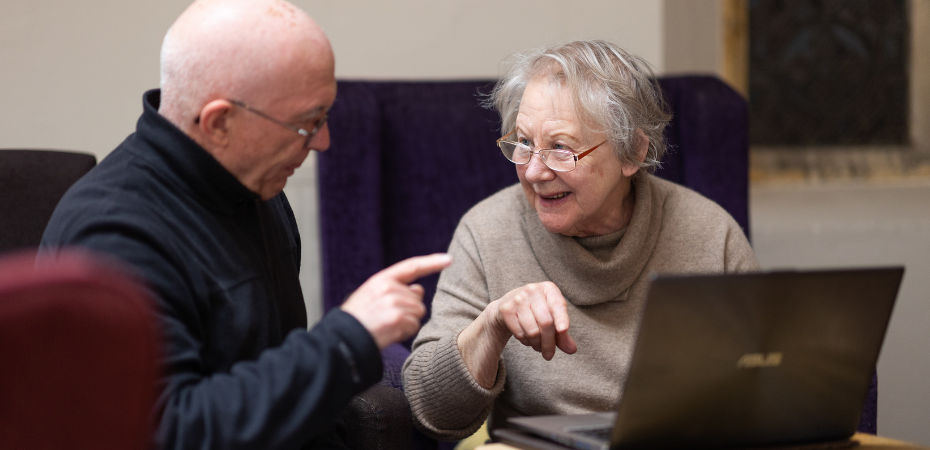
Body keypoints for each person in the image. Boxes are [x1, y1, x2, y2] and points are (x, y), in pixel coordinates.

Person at [39, 0, 451, 449]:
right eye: (306, 124)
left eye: (324, 117)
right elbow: (166, 432)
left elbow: (281, 396)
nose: (324, 142)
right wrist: (347, 339)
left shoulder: (254, 186)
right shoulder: (113, 235)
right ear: (219, 122)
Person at [402, 40, 759, 440]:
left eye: (560, 148)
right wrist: (492, 325)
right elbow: (432, 412)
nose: (535, 172)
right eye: (523, 143)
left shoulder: (711, 234)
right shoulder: (485, 232)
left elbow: (765, 387)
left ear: (633, 152)